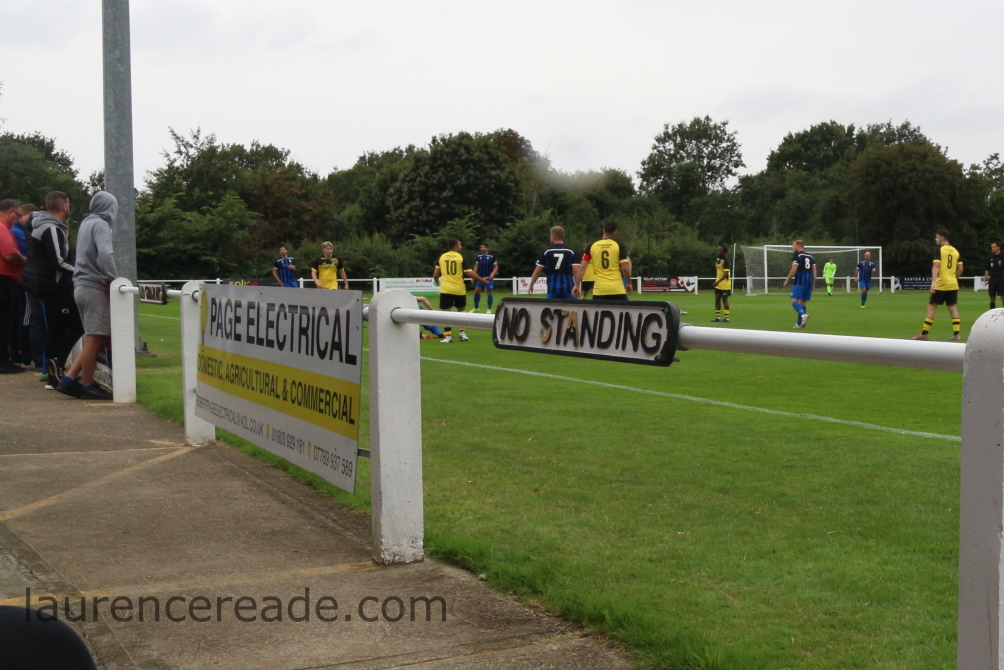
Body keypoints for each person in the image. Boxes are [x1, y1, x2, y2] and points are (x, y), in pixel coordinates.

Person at [56, 192, 119, 400]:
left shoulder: (86, 223)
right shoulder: (101, 224)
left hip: (80, 285)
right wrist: (114, 279)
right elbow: (105, 253)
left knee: (93, 336)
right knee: (95, 338)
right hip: (93, 286)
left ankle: (69, 379)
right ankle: (87, 385)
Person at [30, 191, 83, 382]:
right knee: (61, 329)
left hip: (54, 285)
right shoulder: (51, 228)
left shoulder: (51, 227)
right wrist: (81, 273)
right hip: (55, 287)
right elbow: (59, 262)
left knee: (70, 326)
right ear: (64, 206)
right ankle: (54, 373)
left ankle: (56, 368)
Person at [432, 238, 487, 343]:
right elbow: (469, 272)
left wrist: (438, 282)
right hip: (459, 289)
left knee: (446, 313)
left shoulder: (442, 257)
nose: (461, 246)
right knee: (461, 311)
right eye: (460, 245)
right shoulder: (461, 257)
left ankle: (448, 336)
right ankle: (462, 333)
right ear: (456, 246)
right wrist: (481, 280)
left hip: (446, 289)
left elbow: (435, 275)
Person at [912, 229, 963, 341]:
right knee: (953, 308)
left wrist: (933, 282)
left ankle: (924, 334)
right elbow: (960, 268)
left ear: (942, 237)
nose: (935, 239)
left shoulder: (939, 249)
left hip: (941, 283)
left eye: (937, 237)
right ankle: (957, 334)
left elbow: (936, 265)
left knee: (931, 307)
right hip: (952, 284)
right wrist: (954, 278)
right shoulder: (955, 251)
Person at [0, 200, 26, 373]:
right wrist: (25, 260)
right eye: (18, 215)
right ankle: (3, 362)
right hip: (3, 280)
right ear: (10, 212)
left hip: (7, 280)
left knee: (6, 321)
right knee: (3, 322)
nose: (18, 219)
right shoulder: (2, 229)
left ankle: (5, 359)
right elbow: (10, 255)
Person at [574, 221, 632, 300]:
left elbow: (582, 267)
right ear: (615, 233)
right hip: (617, 289)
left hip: (599, 290)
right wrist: (629, 283)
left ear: (603, 230)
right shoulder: (619, 246)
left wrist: (576, 285)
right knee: (625, 308)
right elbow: (625, 268)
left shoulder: (591, 246)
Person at [527, 226, 578, 299]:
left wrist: (531, 285)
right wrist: (577, 285)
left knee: (553, 306)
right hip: (568, 288)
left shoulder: (546, 251)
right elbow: (575, 271)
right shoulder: (571, 251)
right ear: (563, 236)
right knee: (571, 306)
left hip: (552, 288)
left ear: (553, 237)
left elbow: (538, 271)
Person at [781, 239, 815, 329]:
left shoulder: (798, 256)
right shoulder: (811, 257)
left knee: (794, 301)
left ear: (798, 246)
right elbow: (814, 272)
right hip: (809, 283)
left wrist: (787, 280)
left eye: (793, 246)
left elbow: (794, 270)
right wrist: (813, 283)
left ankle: (803, 315)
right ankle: (799, 324)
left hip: (800, 282)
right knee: (803, 303)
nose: (793, 248)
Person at [472, 243, 498, 313]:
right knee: (476, 291)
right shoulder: (478, 256)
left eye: (483, 247)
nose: (482, 249)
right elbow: (476, 266)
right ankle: (476, 308)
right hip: (480, 277)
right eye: (481, 247)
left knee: (488, 292)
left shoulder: (491, 256)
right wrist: (473, 276)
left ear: (487, 248)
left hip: (488, 277)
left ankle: (489, 309)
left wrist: (492, 273)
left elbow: (496, 266)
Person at [711, 245, 732, 322]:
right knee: (717, 299)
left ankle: (727, 318)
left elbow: (726, 274)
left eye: (720, 250)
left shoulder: (726, 261)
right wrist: (717, 281)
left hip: (725, 284)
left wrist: (718, 281)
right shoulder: (717, 259)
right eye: (718, 250)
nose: (718, 251)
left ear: (724, 252)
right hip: (718, 283)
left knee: (724, 300)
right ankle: (718, 317)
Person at [985, 240, 1004, 310]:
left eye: (994, 247)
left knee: (1003, 296)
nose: (992, 248)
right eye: (992, 247)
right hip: (992, 279)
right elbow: (987, 269)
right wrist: (986, 279)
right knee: (992, 296)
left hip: (1001, 278)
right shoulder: (990, 257)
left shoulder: (1002, 256)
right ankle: (992, 311)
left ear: (998, 247)